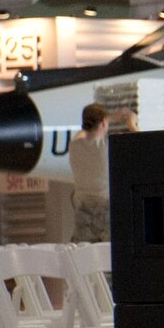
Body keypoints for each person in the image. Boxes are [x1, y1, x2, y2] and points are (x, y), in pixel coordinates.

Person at [67, 103, 110, 242]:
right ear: (103, 122)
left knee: (84, 258)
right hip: (107, 214)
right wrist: (130, 123)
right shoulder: (107, 146)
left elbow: (81, 134)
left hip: (82, 215)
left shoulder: (74, 145)